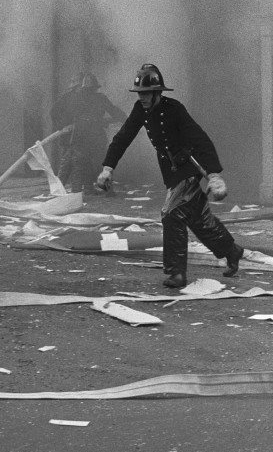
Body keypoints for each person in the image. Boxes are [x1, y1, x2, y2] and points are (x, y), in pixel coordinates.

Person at [95, 63, 244, 289]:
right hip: (172, 171)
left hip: (188, 169)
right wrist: (108, 167)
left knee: (171, 214)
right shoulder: (140, 110)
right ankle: (232, 251)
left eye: (146, 93)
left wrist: (214, 175)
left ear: (157, 92)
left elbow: (200, 139)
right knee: (200, 221)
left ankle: (177, 273)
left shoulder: (174, 109)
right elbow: (123, 137)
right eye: (140, 94)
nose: (142, 98)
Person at [51, 72, 126, 193]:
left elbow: (113, 111)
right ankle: (96, 189)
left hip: (85, 136)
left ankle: (81, 190)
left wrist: (125, 119)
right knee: (87, 164)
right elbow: (114, 111)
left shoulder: (79, 98)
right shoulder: (86, 98)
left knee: (82, 164)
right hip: (87, 136)